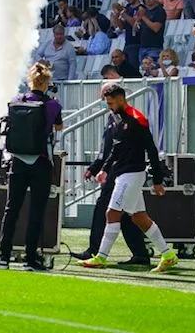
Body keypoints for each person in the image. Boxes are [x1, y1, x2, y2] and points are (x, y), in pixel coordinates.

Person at [81, 84, 177, 273]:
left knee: (112, 213)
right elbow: (116, 149)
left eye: (111, 102)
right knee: (140, 217)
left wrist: (157, 180)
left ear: (121, 99)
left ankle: (101, 257)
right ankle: (168, 255)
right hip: (123, 174)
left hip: (132, 174)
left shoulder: (137, 120)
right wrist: (103, 169)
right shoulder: (118, 118)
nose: (108, 106)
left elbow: (151, 150)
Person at [0, 62, 63, 272]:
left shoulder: (17, 100)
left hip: (17, 160)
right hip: (40, 161)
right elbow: (58, 126)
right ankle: (29, 258)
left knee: (12, 208)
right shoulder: (52, 104)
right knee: (36, 210)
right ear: (47, 82)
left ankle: (4, 256)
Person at [76, 83, 150, 266]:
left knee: (105, 209)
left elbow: (117, 149)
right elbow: (106, 148)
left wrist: (103, 168)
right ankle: (141, 253)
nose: (104, 100)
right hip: (117, 170)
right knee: (128, 214)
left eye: (107, 97)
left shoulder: (128, 119)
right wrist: (96, 167)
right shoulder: (113, 117)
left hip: (122, 171)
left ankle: (96, 251)